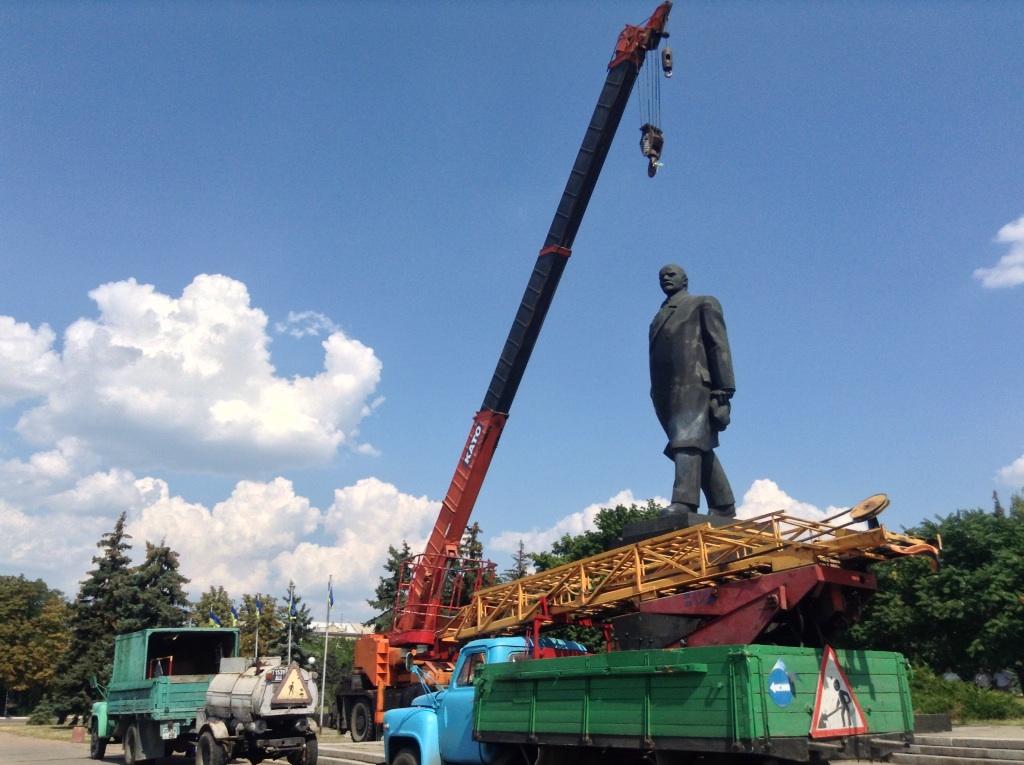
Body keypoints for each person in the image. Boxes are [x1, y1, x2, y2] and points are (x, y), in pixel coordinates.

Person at [649, 264, 736, 516]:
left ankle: (685, 501)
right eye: (661, 275)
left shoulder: (702, 303)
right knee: (695, 443)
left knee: (685, 440)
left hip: (695, 384)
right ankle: (723, 505)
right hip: (664, 391)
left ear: (685, 280)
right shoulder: (658, 316)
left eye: (671, 274)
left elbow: (718, 345)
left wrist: (724, 388)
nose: (665, 277)